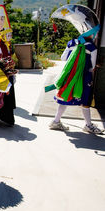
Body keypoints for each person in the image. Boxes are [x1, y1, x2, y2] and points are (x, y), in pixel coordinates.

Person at [49, 4, 104, 134]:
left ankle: (56, 121)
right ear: (92, 32)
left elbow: (63, 58)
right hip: (84, 78)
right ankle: (88, 125)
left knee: (65, 96)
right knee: (85, 101)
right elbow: (91, 66)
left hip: (69, 76)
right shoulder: (91, 48)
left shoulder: (72, 43)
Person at [0, 5, 16, 126]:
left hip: (9, 72)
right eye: (8, 35)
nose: (10, 37)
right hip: (2, 73)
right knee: (4, 95)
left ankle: (9, 117)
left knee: (9, 95)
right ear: (3, 36)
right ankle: (6, 117)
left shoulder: (7, 45)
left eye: (10, 35)